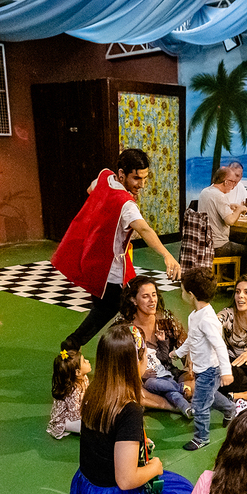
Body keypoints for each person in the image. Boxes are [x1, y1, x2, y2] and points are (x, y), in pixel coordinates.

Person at [68, 324, 192, 494]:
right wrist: (156, 466)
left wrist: (133, 441)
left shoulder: (95, 390)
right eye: (145, 354)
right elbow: (125, 480)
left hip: (90, 490)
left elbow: (104, 437)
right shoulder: (129, 408)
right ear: (134, 362)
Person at [55, 148, 181, 352]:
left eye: (145, 178)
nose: (141, 184)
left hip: (94, 259)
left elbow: (91, 189)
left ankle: (136, 349)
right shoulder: (126, 204)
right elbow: (144, 229)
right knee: (118, 307)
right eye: (136, 178)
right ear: (122, 174)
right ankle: (77, 344)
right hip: (109, 268)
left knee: (121, 306)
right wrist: (167, 255)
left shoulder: (105, 176)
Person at [172, 268, 235, 450]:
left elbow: (220, 346)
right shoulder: (195, 316)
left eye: (183, 290)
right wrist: (178, 353)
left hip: (210, 370)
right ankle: (230, 409)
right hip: (202, 369)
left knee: (199, 404)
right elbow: (192, 340)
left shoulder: (207, 319)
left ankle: (202, 437)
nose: (181, 294)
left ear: (191, 295)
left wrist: (226, 372)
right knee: (210, 396)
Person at [118, 274, 191, 410]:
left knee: (199, 380)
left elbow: (186, 346)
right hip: (140, 380)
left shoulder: (167, 319)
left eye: (154, 295)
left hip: (169, 375)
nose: (152, 300)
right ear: (134, 300)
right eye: (145, 296)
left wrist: (191, 363)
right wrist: (139, 375)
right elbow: (118, 367)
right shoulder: (124, 327)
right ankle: (172, 405)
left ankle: (174, 400)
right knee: (129, 391)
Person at [197, 166, 247, 271]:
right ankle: (239, 280)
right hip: (218, 246)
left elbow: (214, 208)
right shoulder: (220, 196)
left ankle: (226, 274)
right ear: (226, 182)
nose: (234, 186)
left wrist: (229, 206)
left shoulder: (205, 192)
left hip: (204, 243)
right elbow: (230, 221)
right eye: (233, 182)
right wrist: (240, 209)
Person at [48, 349, 90, 439]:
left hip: (80, 411)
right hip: (66, 420)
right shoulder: (72, 391)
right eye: (84, 361)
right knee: (90, 426)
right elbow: (74, 416)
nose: (88, 361)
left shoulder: (84, 378)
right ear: (78, 372)